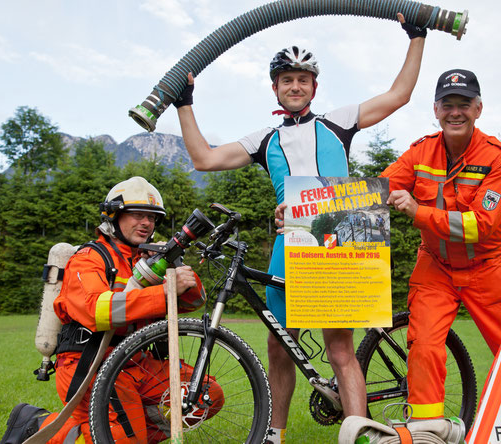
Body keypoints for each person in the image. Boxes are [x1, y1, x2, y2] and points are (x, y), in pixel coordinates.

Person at [175, 14, 428, 443]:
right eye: (287, 80)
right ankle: (275, 434)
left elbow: (399, 95)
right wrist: (185, 102)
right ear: (275, 88)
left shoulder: (338, 121)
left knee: (340, 349)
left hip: (339, 237)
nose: (295, 86)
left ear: (314, 87)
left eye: (303, 79)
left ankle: (360, 432)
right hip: (287, 242)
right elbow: (204, 158)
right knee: (279, 345)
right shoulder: (265, 138)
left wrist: (416, 36)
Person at [0, 176, 224, 444]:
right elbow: (97, 311)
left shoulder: (149, 259)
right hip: (93, 363)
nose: (146, 223)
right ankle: (39, 426)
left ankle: (121, 430)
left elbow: (194, 300)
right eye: (137, 215)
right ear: (114, 217)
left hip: (139, 362)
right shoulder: (88, 258)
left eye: (152, 218)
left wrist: (182, 276)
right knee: (124, 438)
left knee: (206, 395)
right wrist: (162, 293)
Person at [380, 69, 501, 421]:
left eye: (464, 104)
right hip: (435, 267)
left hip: (488, 267)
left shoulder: (498, 159)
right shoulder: (421, 152)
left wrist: (419, 211)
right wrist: (303, 208)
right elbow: (371, 191)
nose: (456, 112)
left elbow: (481, 226)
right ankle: (427, 430)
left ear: (478, 109)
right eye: (448, 104)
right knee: (423, 345)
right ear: (436, 110)